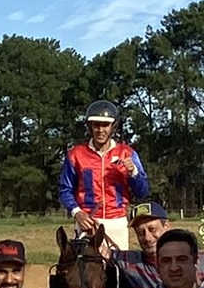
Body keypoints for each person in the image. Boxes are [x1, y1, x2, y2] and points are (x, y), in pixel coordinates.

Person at [58, 99, 149, 251]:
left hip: (117, 223)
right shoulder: (75, 154)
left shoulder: (127, 153)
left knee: (118, 265)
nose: (100, 130)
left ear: (113, 126)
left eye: (105, 125)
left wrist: (134, 172)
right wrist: (77, 212)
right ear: (90, 126)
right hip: (88, 221)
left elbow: (142, 192)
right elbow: (64, 189)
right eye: (96, 125)